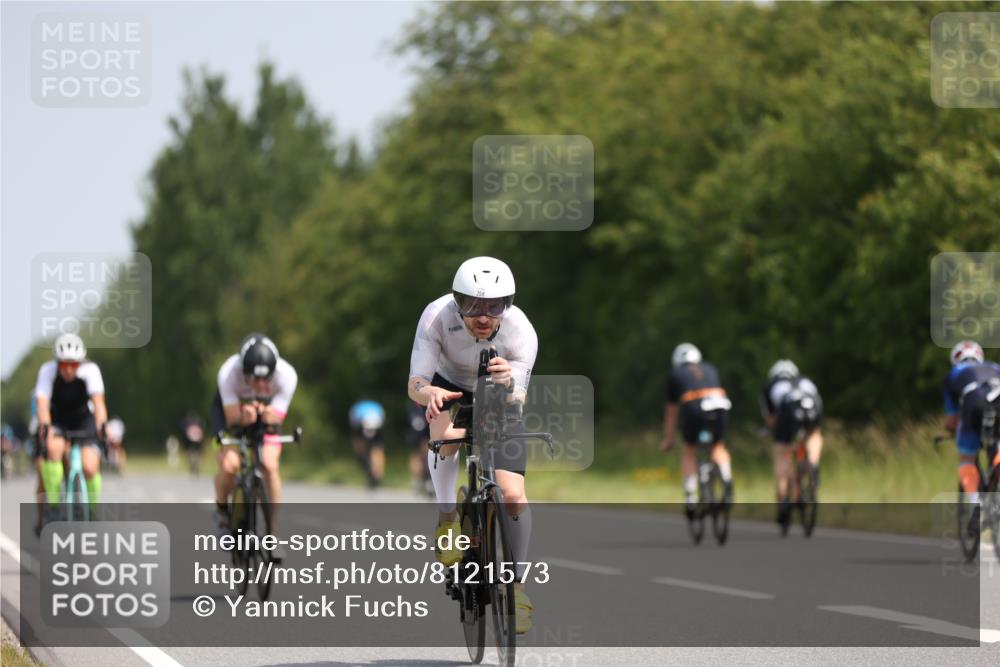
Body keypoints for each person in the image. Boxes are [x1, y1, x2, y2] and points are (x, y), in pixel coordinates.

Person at [407, 256, 538, 633]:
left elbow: (517, 399)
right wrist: (429, 392)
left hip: (497, 391)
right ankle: (447, 516)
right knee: (445, 438)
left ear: (507, 305)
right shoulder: (436, 317)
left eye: (494, 307)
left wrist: (508, 380)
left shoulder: (521, 330)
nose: (483, 316)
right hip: (446, 385)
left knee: (512, 496)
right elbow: (415, 383)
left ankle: (517, 588)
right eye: (472, 305)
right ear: (457, 301)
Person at [212, 333, 298, 560]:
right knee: (229, 466)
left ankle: (272, 534)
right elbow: (232, 422)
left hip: (266, 417)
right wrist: (243, 417)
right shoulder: (228, 373)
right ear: (243, 372)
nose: (260, 385)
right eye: (254, 379)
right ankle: (222, 514)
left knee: (269, 464)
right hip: (234, 414)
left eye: (265, 379)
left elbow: (276, 420)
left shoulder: (287, 375)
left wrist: (269, 416)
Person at [33, 333, 108, 518]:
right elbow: (42, 405)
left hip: (84, 420)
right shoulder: (47, 371)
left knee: (90, 467)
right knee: (53, 449)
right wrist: (45, 428)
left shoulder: (91, 370)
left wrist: (102, 428)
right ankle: (53, 506)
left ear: (80, 363)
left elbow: (99, 405)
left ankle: (92, 512)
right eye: (63, 365)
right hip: (58, 420)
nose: (68, 370)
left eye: (73, 365)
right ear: (57, 363)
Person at [660, 343, 733, 518]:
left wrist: (669, 439)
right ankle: (726, 478)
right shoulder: (710, 368)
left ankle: (690, 498)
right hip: (719, 404)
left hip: (694, 405)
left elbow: (671, 412)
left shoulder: (675, 373)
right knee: (718, 446)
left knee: (689, 450)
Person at [760, 359, 824, 526]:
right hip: (811, 404)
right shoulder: (805, 380)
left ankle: (783, 499)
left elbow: (771, 420)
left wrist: (773, 431)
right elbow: (818, 399)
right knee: (814, 435)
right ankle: (813, 463)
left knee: (781, 453)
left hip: (788, 408)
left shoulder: (770, 385)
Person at [943, 340, 1000, 509]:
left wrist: (953, 430)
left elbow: (952, 420)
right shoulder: (995, 366)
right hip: (997, 398)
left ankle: (975, 501)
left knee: (966, 458)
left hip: (974, 401)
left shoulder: (953, 373)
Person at [348, 399, 387, 489]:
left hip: (374, 425)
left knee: (377, 451)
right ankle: (364, 460)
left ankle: (376, 475)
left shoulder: (378, 415)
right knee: (360, 446)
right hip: (361, 426)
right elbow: (354, 427)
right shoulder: (358, 414)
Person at [405, 400, 433, 495]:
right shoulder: (413, 407)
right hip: (417, 430)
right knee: (417, 455)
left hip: (425, 429)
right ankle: (418, 480)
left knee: (425, 454)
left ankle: (427, 479)